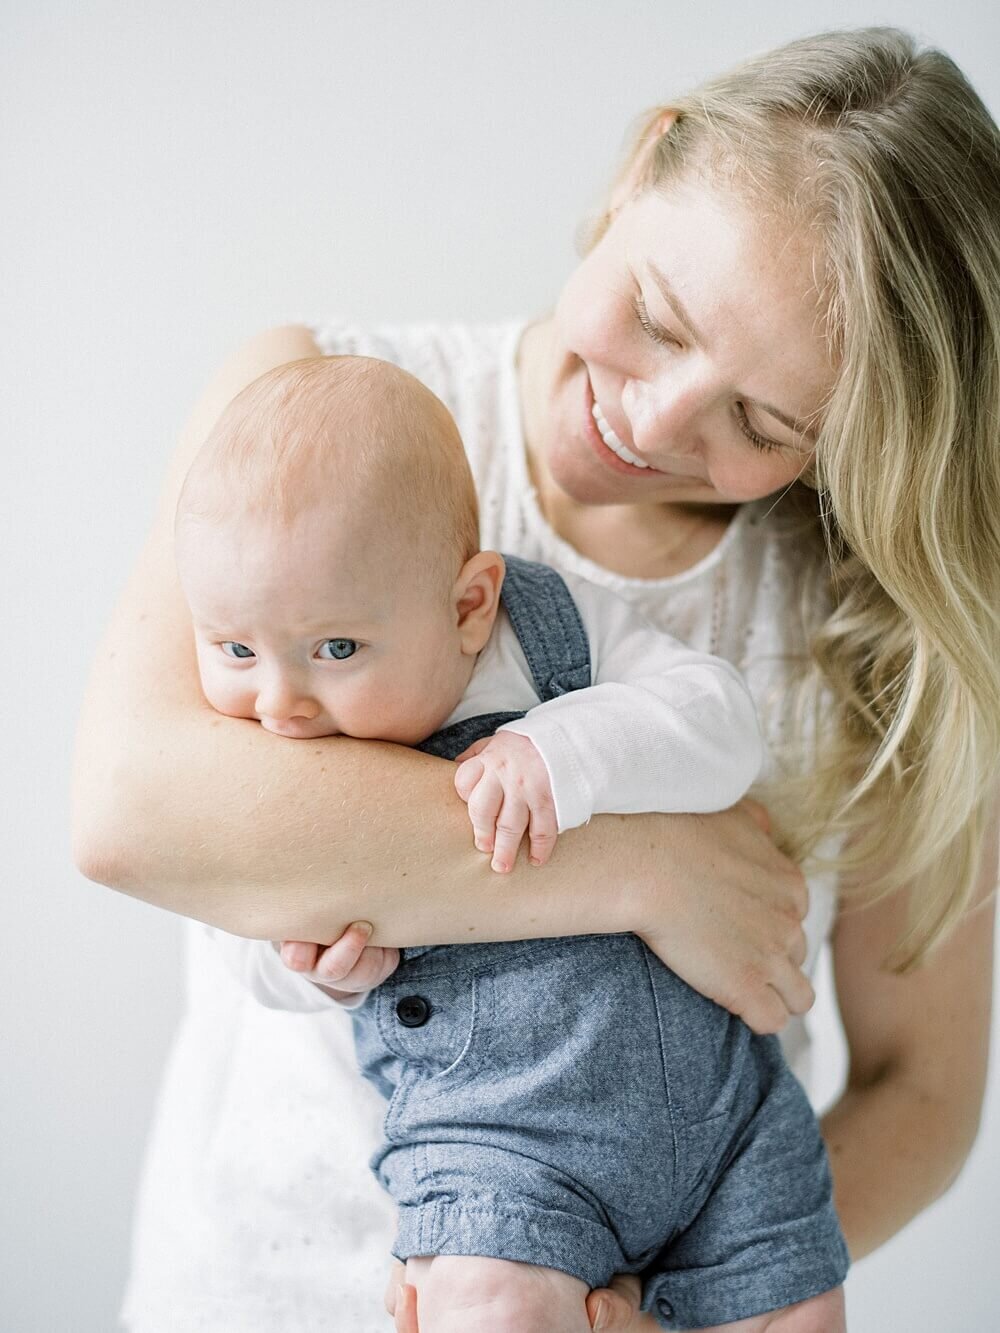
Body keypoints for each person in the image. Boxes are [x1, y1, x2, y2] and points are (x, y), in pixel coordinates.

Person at [71, 26, 998, 1333]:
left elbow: (924, 1090)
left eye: (765, 423)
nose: (660, 420)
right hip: (257, 1290)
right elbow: (132, 807)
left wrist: (677, 1304)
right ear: (643, 164)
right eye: (661, 318)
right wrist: (643, 870)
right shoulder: (310, 413)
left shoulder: (868, 626)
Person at [173, 351, 847, 1331]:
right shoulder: (264, 746)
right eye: (235, 649)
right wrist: (310, 971)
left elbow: (718, 721)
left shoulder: (542, 633)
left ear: (467, 604)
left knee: (800, 1308)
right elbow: (244, 937)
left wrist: (567, 748)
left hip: (728, 1120)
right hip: (501, 1151)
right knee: (492, 1309)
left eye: (336, 649)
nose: (279, 701)